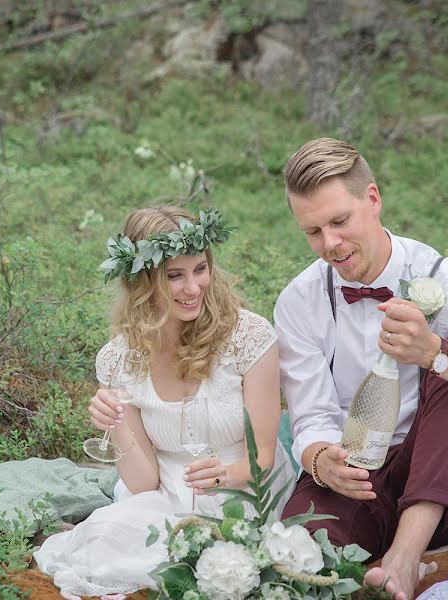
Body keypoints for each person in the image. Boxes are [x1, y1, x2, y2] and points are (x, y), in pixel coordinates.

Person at [274, 138, 448, 600]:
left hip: (434, 470)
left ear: (374, 199)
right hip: (353, 471)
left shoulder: (446, 277)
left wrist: (434, 352)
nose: (330, 245)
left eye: (340, 222)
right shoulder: (299, 301)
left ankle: (405, 558)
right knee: (291, 563)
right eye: (313, 231)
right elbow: (311, 417)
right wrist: (322, 461)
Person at [34, 205, 296, 597]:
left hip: (245, 490)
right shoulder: (118, 359)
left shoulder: (249, 337)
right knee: (99, 544)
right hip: (167, 496)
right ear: (143, 280)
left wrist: (225, 476)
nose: (193, 288)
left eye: (200, 269)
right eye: (175, 276)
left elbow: (263, 459)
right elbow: (143, 483)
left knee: (216, 565)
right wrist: (114, 421)